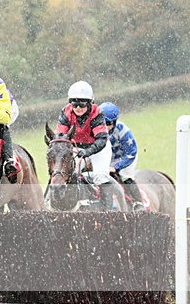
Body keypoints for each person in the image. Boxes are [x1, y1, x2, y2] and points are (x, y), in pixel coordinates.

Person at [56, 81, 115, 210]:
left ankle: (108, 210)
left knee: (100, 176)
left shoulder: (96, 113)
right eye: (74, 104)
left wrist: (88, 152)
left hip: (98, 148)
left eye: (82, 104)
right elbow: (60, 136)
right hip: (76, 147)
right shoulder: (66, 113)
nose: (78, 108)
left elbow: (101, 140)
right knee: (62, 172)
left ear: (89, 103)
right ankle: (50, 201)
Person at [99, 102, 145, 212]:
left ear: (114, 122)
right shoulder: (94, 129)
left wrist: (117, 167)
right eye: (102, 123)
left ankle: (138, 203)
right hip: (106, 158)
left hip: (125, 157)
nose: (105, 127)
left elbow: (131, 152)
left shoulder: (123, 131)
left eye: (108, 123)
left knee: (125, 176)